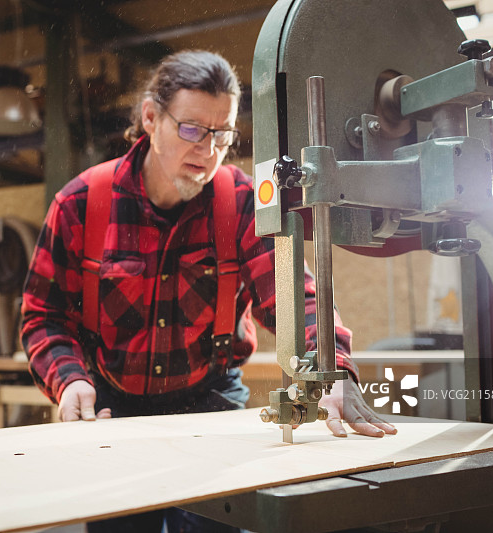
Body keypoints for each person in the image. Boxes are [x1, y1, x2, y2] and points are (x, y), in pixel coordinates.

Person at [20, 49, 395, 533]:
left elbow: (296, 298)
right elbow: (42, 316)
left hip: (210, 405)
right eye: (193, 129)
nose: (209, 150)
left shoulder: (239, 202)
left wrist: (332, 370)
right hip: (113, 413)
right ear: (151, 117)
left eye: (223, 134)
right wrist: (69, 379)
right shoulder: (80, 204)